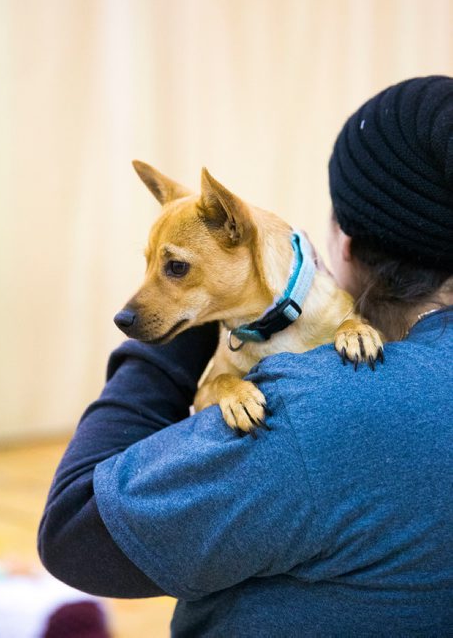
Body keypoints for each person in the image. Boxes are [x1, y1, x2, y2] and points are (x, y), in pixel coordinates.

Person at [38, 76, 453, 636]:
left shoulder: (310, 412)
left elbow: (74, 533)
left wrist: (176, 338)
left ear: (347, 244)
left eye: (175, 268)